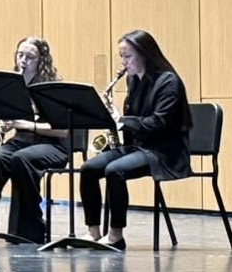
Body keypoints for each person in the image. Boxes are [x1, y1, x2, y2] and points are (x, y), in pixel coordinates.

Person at [80, 29, 192, 250]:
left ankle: (115, 236)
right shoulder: (134, 82)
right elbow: (133, 122)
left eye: (127, 56)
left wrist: (122, 120)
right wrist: (112, 118)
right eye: (121, 56)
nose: (123, 62)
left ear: (145, 54)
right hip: (138, 147)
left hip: (163, 152)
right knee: (89, 168)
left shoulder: (169, 82)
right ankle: (93, 232)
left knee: (115, 170)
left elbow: (158, 122)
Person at [0, 37, 68, 244]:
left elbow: (63, 131)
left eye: (30, 57)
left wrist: (26, 125)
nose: (23, 60)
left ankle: (26, 232)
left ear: (42, 60)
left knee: (21, 159)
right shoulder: (12, 85)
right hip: (21, 142)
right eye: (20, 55)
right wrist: (6, 123)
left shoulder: (51, 87)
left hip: (52, 145)